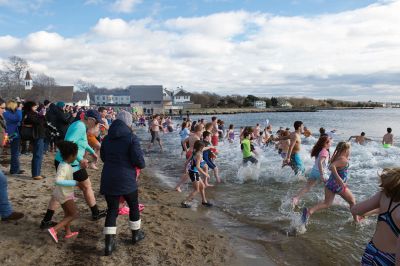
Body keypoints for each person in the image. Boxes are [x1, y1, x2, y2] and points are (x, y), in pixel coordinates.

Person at [40, 110, 106, 229]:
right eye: (97, 123)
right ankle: (95, 213)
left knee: (61, 190)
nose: (97, 126)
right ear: (90, 120)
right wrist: (80, 159)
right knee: (86, 186)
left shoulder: (80, 125)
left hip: (66, 160)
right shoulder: (80, 126)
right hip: (70, 162)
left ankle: (46, 220)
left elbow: (82, 142)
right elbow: (68, 144)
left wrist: (92, 153)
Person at [100, 111, 146, 256]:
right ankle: (135, 235)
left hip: (108, 177)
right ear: (129, 123)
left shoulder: (107, 138)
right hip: (126, 179)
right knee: (133, 206)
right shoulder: (132, 138)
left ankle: (109, 245)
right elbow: (140, 162)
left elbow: (103, 157)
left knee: (112, 210)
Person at [301, 142, 361, 224]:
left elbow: (333, 166)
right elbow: (331, 166)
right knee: (352, 201)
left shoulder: (337, 157)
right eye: (349, 149)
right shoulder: (343, 159)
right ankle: (356, 220)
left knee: (327, 203)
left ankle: (309, 212)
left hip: (330, 184)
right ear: (346, 149)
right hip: (337, 185)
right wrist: (340, 180)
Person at [351, 168, 400, 265]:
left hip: (371, 251)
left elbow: (355, 210)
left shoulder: (384, 196)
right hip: (389, 259)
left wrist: (378, 209)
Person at [47, 141, 80, 243]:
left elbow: (70, 171)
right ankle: (54, 230)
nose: (76, 157)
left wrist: (80, 167)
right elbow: (58, 180)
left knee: (67, 213)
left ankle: (68, 232)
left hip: (62, 193)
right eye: (75, 155)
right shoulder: (63, 166)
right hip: (64, 194)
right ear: (71, 155)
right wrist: (74, 182)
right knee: (74, 214)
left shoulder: (65, 164)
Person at [0, 98, 24, 221]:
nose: (3, 111)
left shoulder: (3, 117)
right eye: (1, 108)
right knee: (2, 180)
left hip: (12, 136)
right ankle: (6, 212)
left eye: (4, 108)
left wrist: (4, 139)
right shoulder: (10, 115)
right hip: (11, 136)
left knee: (2, 181)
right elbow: (18, 118)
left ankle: (6, 212)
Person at [292, 136, 331, 206]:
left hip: (314, 172)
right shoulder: (325, 151)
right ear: (325, 144)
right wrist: (322, 175)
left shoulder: (319, 150)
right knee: (332, 186)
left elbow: (322, 161)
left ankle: (296, 198)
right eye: (330, 142)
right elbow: (320, 162)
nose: (331, 144)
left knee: (307, 187)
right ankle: (329, 200)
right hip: (321, 172)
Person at [181, 140, 213, 208]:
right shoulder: (199, 155)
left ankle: (204, 201)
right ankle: (185, 202)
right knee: (197, 190)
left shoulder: (194, 152)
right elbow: (198, 167)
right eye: (204, 146)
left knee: (202, 186)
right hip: (194, 173)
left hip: (192, 171)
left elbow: (187, 161)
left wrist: (185, 169)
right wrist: (205, 174)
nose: (204, 147)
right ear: (201, 147)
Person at [22, 101, 47, 180]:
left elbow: (43, 123)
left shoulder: (33, 113)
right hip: (37, 135)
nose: (36, 108)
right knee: (37, 154)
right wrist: (42, 115)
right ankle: (36, 174)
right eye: (34, 107)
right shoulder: (28, 114)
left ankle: (37, 172)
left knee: (39, 155)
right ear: (30, 107)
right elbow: (39, 122)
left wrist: (41, 116)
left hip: (39, 135)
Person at [3, 100, 24, 175]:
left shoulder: (9, 113)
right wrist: (19, 110)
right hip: (12, 134)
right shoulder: (6, 113)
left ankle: (15, 168)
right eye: (16, 105)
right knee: (15, 152)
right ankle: (14, 170)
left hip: (13, 133)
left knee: (15, 152)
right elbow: (18, 119)